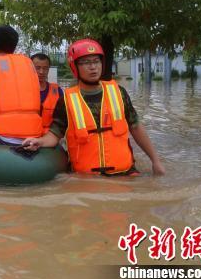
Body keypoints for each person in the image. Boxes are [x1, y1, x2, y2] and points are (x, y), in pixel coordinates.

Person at [23, 39, 166, 176]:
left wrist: (155, 160)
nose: (93, 67)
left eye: (96, 61)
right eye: (86, 63)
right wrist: (39, 141)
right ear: (75, 67)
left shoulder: (119, 92)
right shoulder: (66, 100)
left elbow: (136, 127)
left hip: (125, 174)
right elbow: (54, 135)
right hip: (85, 178)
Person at [30, 53, 63, 134]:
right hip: (27, 137)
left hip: (50, 138)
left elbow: (63, 118)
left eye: (45, 68)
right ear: (30, 68)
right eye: (37, 68)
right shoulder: (22, 91)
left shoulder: (57, 91)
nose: (41, 72)